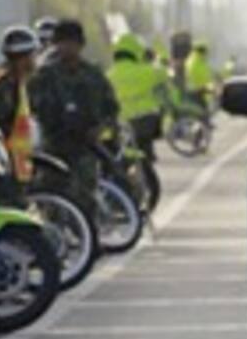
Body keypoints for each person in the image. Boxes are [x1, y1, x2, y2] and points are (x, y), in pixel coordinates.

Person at [28, 18, 119, 219]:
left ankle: (87, 240)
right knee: (51, 199)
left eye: (71, 43)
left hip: (84, 147)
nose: (67, 48)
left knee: (85, 199)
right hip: (54, 145)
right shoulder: (45, 76)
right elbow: (32, 107)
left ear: (80, 45)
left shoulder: (93, 75)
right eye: (61, 42)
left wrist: (101, 129)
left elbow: (111, 108)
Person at [106, 32, 167, 194]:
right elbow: (164, 73)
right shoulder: (147, 71)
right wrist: (154, 58)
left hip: (119, 126)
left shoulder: (108, 75)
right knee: (143, 154)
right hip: (145, 124)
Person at [0, 24, 39, 185]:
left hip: (17, 165)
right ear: (22, 57)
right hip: (7, 166)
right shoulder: (5, 86)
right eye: (32, 55)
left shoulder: (16, 82)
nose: (34, 60)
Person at [184, 39, 215, 113]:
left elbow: (208, 77)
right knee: (202, 120)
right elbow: (193, 82)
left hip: (202, 95)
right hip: (198, 95)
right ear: (202, 50)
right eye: (206, 50)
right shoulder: (194, 63)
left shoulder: (199, 61)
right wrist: (206, 88)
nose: (207, 53)